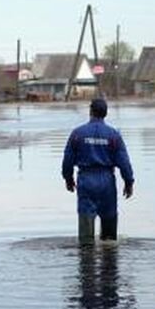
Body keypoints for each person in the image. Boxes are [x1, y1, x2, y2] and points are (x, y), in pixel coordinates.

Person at [62, 98, 134, 242]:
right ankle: (109, 259)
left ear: (90, 111)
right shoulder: (113, 135)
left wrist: (68, 179)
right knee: (109, 237)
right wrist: (128, 182)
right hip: (107, 181)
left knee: (86, 233)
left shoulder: (77, 134)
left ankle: (86, 255)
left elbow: (67, 160)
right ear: (105, 113)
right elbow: (124, 162)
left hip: (86, 181)